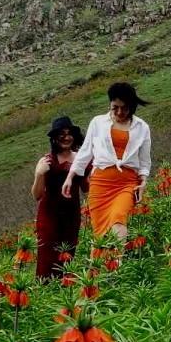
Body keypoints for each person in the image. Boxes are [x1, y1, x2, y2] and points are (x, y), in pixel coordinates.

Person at [63, 82, 152, 243]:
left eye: (124, 108)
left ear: (132, 107)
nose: (120, 112)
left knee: (119, 217)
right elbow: (85, 152)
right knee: (100, 233)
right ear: (109, 105)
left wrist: (143, 181)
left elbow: (145, 161)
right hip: (100, 184)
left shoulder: (142, 127)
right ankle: (99, 267)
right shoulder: (97, 122)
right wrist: (70, 177)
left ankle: (117, 264)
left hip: (127, 183)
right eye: (115, 107)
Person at [33, 116, 88, 279]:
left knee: (68, 255)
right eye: (61, 134)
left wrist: (89, 170)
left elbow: (86, 188)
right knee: (47, 258)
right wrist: (38, 173)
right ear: (55, 138)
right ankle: (44, 292)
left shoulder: (80, 158)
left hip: (71, 216)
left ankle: (64, 290)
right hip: (49, 216)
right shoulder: (46, 161)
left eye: (69, 133)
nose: (66, 137)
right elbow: (37, 195)